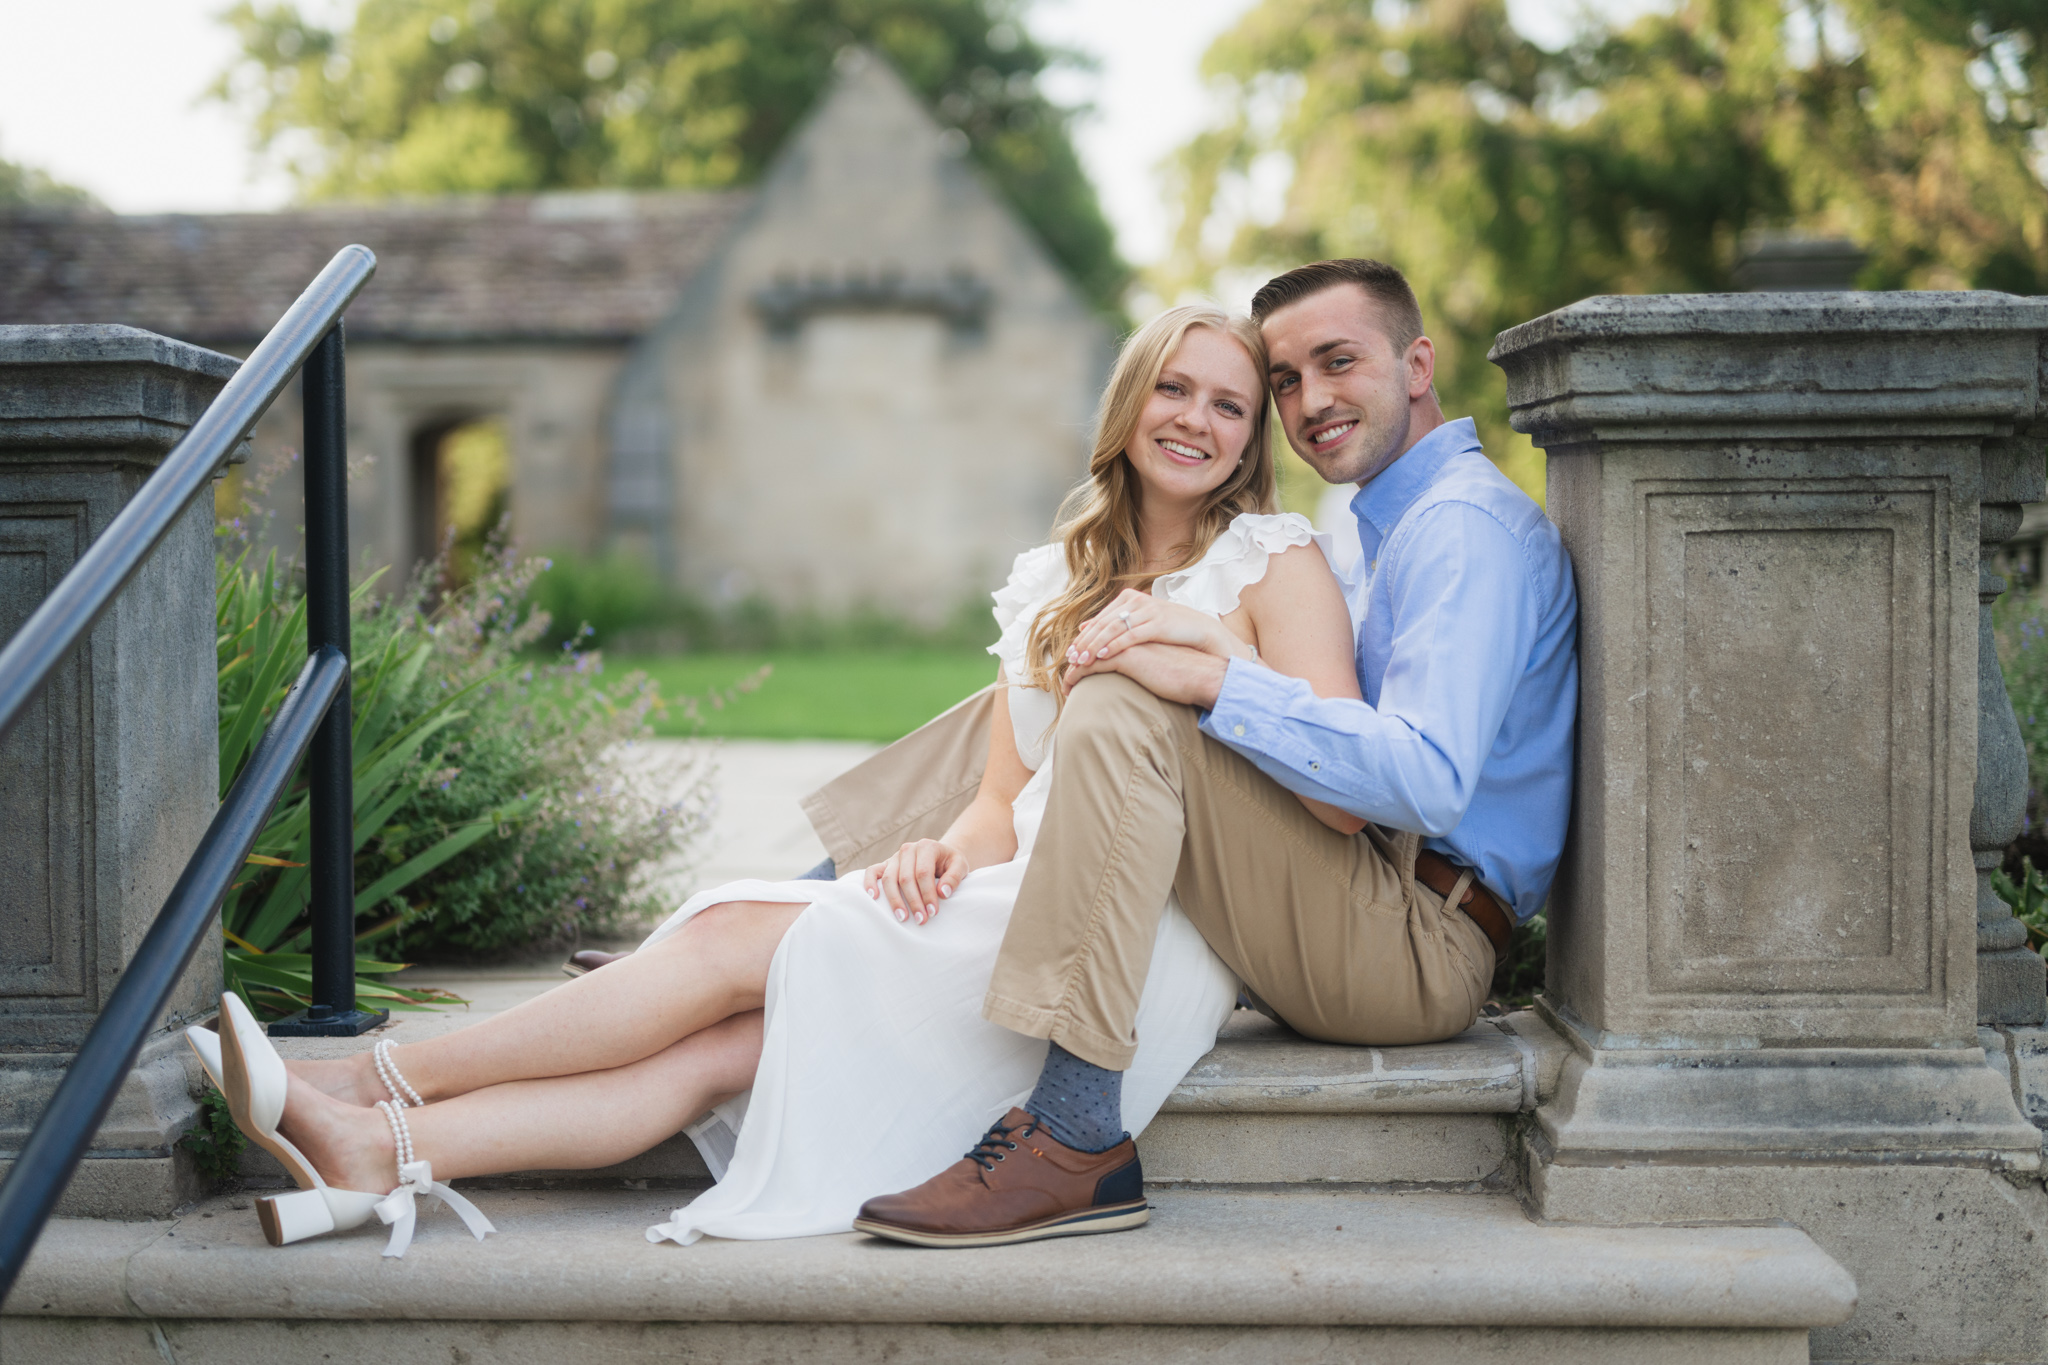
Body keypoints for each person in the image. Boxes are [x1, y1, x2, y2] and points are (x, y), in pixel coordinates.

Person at [194, 302, 1370, 1254]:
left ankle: (362, 1073)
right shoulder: (1052, 578)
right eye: (1174, 387)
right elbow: (1001, 805)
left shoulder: (1271, 561)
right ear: (1127, 406)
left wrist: (1213, 652)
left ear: (1248, 439)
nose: (1197, 420)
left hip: (1146, 933)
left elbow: (1334, 773)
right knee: (711, 1054)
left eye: (1228, 403)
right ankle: (380, 1155)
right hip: (1017, 894)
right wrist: (939, 853)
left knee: (720, 939)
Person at [852, 258, 1578, 1247]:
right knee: (1054, 674)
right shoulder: (1390, 517)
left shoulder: (1456, 527)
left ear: (1415, 363)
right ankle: (824, 893)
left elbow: (1422, 782)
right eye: (1285, 380)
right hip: (1364, 895)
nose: (1309, 400)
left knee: (1124, 687)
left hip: (1419, 939)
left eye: (1336, 362)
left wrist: (1214, 674)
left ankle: (1070, 1133)